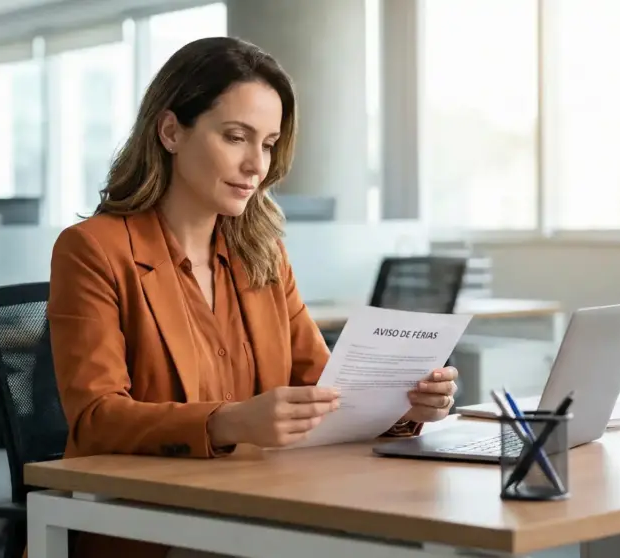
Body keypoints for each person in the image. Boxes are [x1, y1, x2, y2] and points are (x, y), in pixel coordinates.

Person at [46, 36, 459, 558]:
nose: (256, 166)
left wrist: (406, 405)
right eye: (236, 137)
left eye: (267, 144)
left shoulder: (263, 256)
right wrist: (229, 422)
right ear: (171, 131)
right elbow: (95, 418)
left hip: (264, 503)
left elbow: (327, 392)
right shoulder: (94, 250)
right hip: (151, 523)